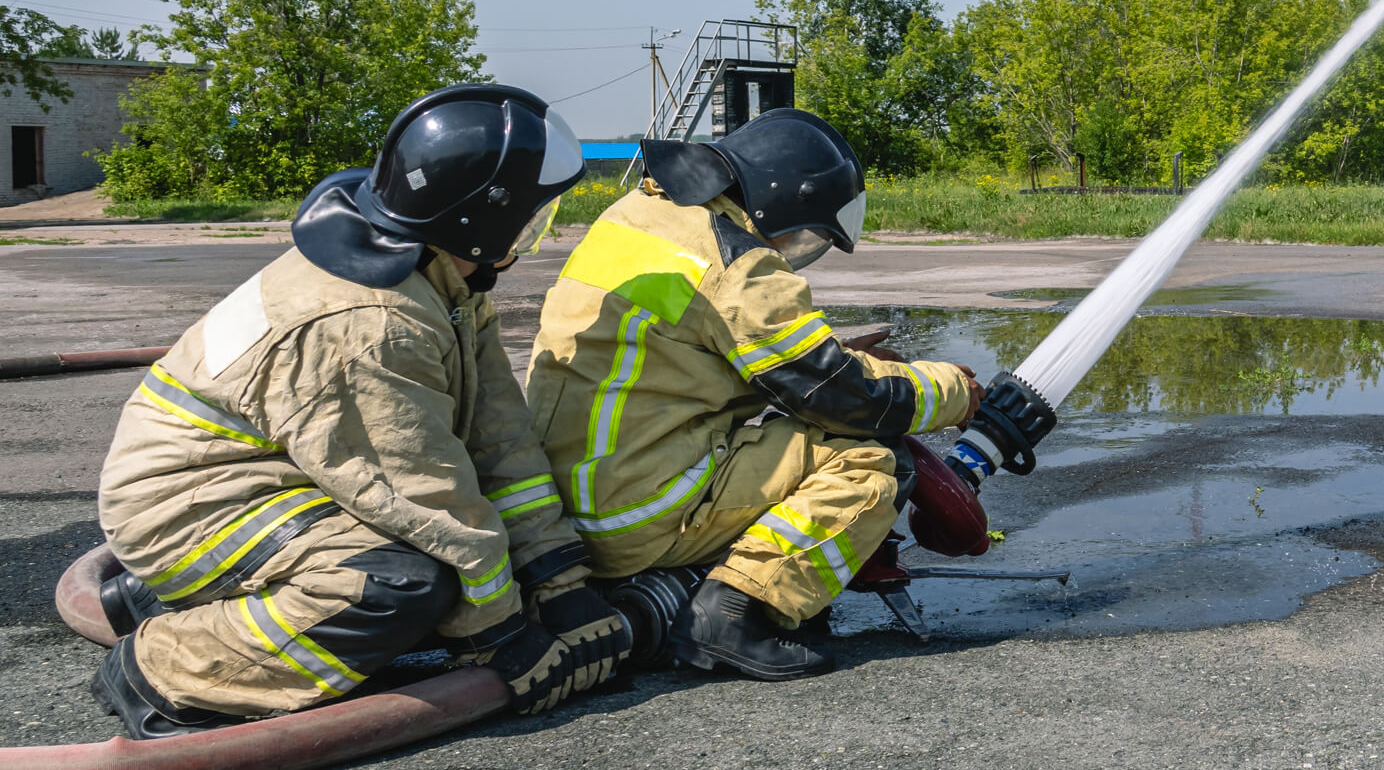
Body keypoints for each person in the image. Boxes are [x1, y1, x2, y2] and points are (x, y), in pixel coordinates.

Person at [90, 84, 630, 739]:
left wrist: (557, 575)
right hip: (190, 502)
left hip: (262, 475)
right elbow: (429, 498)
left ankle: (179, 602)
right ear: (477, 216)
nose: (530, 231)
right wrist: (499, 632)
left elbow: (498, 439)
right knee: (399, 586)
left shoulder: (443, 273)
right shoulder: (373, 324)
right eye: (527, 215)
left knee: (437, 573)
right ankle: (165, 666)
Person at [524, 108, 983, 681]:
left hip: (566, 506)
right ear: (779, 200)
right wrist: (954, 392)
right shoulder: (737, 261)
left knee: (790, 431)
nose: (796, 244)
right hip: (639, 513)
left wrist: (827, 354)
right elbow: (847, 397)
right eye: (804, 231)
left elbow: (693, 341)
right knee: (870, 459)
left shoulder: (638, 216)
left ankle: (709, 578)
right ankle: (738, 611)